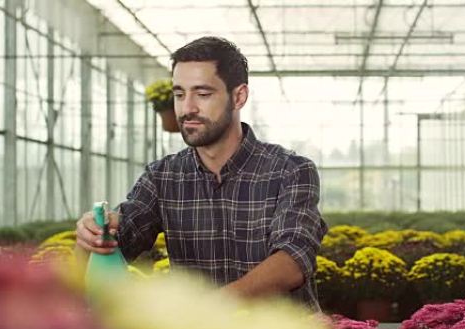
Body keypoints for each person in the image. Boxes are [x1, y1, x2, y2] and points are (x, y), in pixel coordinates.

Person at [75, 36, 327, 310]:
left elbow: (292, 261)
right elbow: (118, 241)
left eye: (203, 94)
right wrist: (92, 236)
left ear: (238, 96)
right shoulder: (162, 176)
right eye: (179, 94)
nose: (187, 108)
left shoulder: (291, 170)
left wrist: (208, 311)